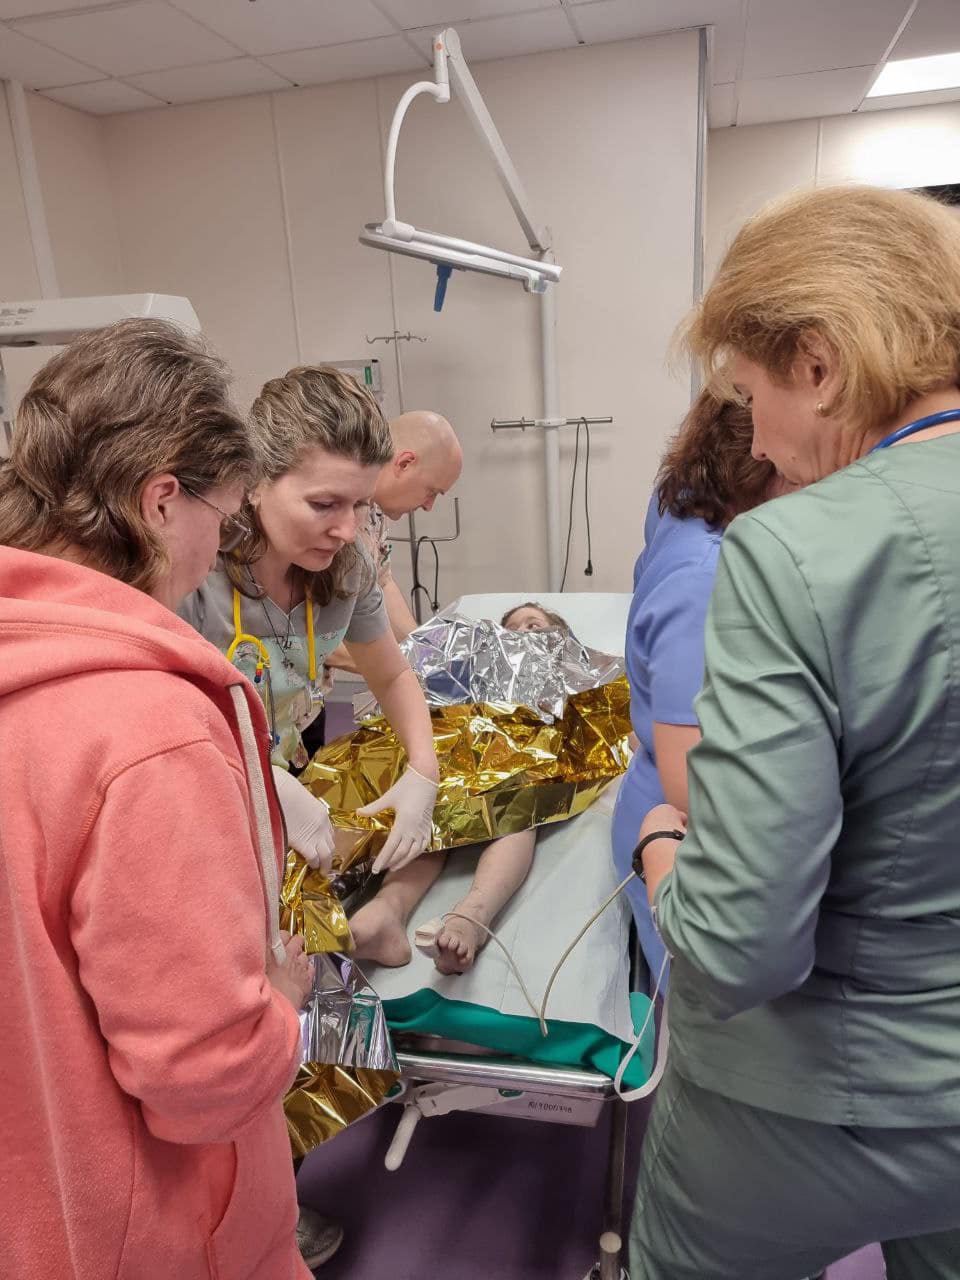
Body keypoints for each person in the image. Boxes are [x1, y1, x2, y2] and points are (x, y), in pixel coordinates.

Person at [629, 184, 960, 1280]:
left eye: (749, 391)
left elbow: (741, 947)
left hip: (813, 1100)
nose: (760, 447)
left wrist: (660, 849)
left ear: (818, 363)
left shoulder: (794, 550)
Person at [0, 319, 314, 1280]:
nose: (219, 549)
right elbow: (203, 1084)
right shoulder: (146, 732)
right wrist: (281, 1011)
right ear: (161, 500)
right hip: (150, 1239)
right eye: (225, 518)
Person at [178, 365, 441, 1268]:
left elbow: (393, 675)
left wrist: (423, 771)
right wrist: (258, 775)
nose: (347, 529)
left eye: (361, 506)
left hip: (282, 782)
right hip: (200, 804)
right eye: (325, 504)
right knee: (255, 1007)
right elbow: (161, 712)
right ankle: (251, 1213)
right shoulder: (192, 572)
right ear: (255, 482)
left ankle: (277, 1186)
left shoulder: (345, 570)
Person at [611, 391, 782, 989]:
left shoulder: (684, 509)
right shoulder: (705, 578)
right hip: (674, 824)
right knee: (699, 1008)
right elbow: (689, 781)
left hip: (663, 796)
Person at [350, 603, 570, 974]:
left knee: (518, 813)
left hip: (518, 770)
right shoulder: (478, 668)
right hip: (462, 763)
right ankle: (388, 909)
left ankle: (472, 915)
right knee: (426, 810)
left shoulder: (563, 669)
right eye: (512, 627)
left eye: (534, 624)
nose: (522, 632)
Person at [322, 408, 462, 685]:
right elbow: (299, 633)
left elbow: (381, 584)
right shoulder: (331, 514)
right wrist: (403, 667)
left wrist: (426, 650)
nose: (428, 506)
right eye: (431, 491)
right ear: (405, 463)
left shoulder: (374, 513)